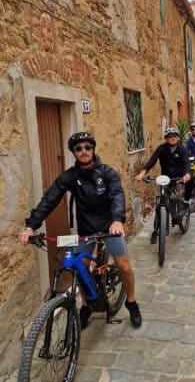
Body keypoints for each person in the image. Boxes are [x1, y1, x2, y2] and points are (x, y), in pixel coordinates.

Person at [18, 132, 142, 329]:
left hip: (110, 228)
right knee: (80, 268)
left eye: (87, 147)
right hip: (86, 229)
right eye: (78, 149)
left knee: (124, 266)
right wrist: (31, 226)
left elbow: (117, 195)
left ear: (93, 149)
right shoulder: (70, 176)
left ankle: (132, 303)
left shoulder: (107, 172)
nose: (83, 152)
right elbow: (49, 200)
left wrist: (117, 220)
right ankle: (85, 306)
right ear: (74, 153)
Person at [135, 127, 193, 236]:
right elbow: (152, 160)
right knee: (163, 198)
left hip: (179, 177)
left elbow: (186, 163)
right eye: (170, 137)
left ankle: (185, 203)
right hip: (166, 177)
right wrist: (143, 173)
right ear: (166, 138)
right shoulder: (162, 148)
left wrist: (187, 174)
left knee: (188, 184)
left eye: (174, 136)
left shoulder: (182, 149)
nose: (172, 138)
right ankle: (163, 226)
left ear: (178, 137)